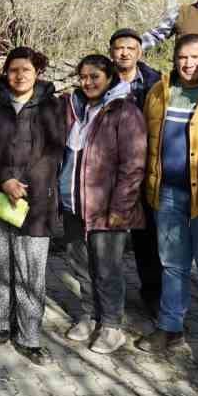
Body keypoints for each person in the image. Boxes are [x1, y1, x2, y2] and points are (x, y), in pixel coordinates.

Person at [136, 36, 198, 376]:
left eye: (196, 57)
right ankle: (171, 327)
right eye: (182, 57)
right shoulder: (160, 91)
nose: (188, 64)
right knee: (172, 265)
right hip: (167, 195)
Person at [0, 47, 66, 365]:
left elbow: (54, 151)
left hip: (36, 200)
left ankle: (29, 336)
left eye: (26, 69)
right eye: (13, 69)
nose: (19, 75)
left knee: (31, 271)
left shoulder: (51, 105)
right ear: (5, 72)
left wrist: (24, 184)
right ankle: (0, 323)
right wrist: (5, 180)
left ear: (37, 72)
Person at [59, 54, 146, 355]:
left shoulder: (124, 111)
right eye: (83, 76)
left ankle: (111, 326)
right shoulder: (75, 108)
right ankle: (89, 314)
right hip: (73, 204)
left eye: (95, 76)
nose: (88, 82)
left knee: (107, 268)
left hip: (106, 208)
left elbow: (133, 166)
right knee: (80, 265)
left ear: (109, 77)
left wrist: (121, 209)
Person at [108, 28, 164, 316]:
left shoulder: (157, 83)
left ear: (140, 51)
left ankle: (152, 294)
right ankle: (107, 299)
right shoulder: (102, 81)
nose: (125, 53)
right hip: (109, 172)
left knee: (148, 238)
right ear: (111, 52)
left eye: (131, 48)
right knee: (107, 238)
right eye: (119, 48)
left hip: (147, 168)